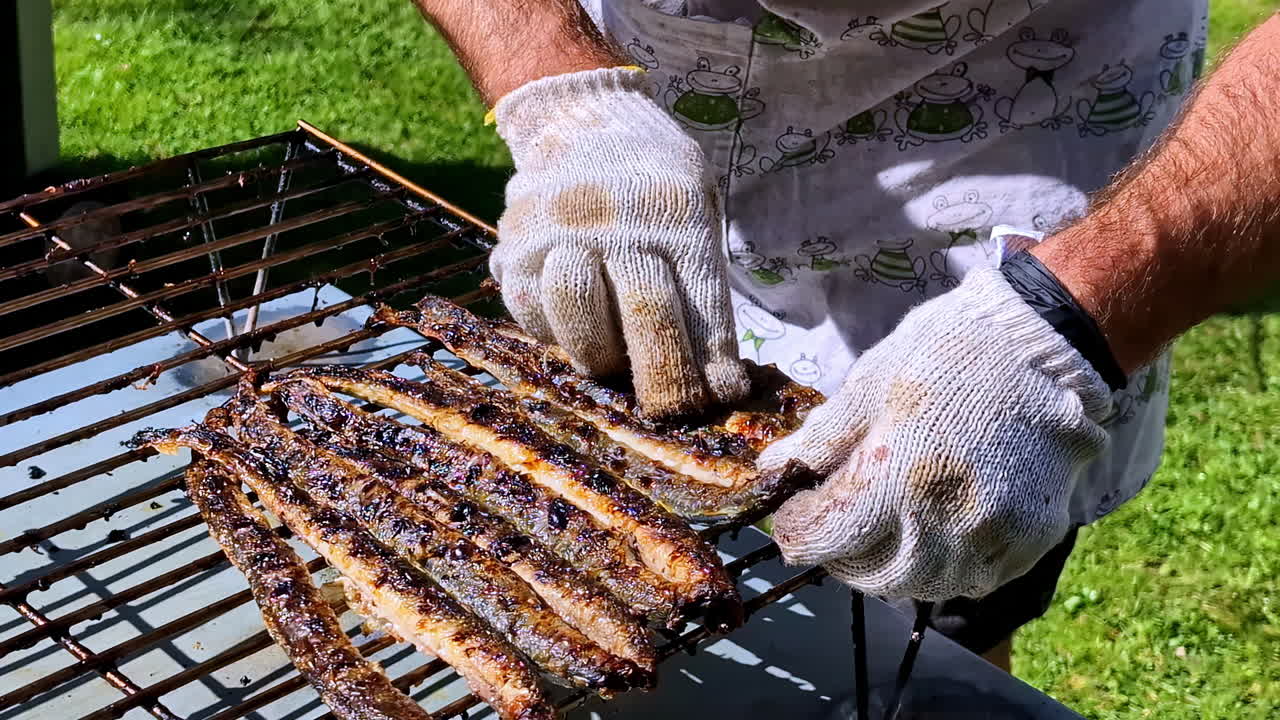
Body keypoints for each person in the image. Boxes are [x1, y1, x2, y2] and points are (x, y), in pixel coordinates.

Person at [410, 0, 1276, 673]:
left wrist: (1074, 312)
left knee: (926, 638)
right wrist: (556, 86)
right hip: (652, 128)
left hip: (1024, 158)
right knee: (573, 589)